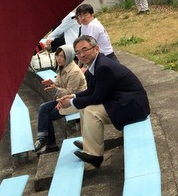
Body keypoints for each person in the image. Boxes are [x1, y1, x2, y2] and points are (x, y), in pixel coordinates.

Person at [56, 35, 150, 168]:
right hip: (122, 101)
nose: (82, 55)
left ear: (96, 49)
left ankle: (95, 156)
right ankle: (89, 144)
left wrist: (71, 103)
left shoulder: (103, 67)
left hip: (133, 106)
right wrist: (73, 97)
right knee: (85, 107)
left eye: (85, 49)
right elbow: (91, 91)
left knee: (91, 110)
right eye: (78, 52)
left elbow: (97, 98)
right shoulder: (95, 66)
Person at [33, 45, 87, 154]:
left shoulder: (75, 71)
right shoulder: (61, 68)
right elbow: (58, 84)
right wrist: (52, 84)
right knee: (43, 108)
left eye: (62, 56)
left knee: (48, 115)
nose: (58, 58)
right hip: (63, 99)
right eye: (57, 55)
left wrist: (55, 89)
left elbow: (70, 92)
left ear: (69, 57)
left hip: (75, 101)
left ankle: (50, 144)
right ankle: (43, 139)